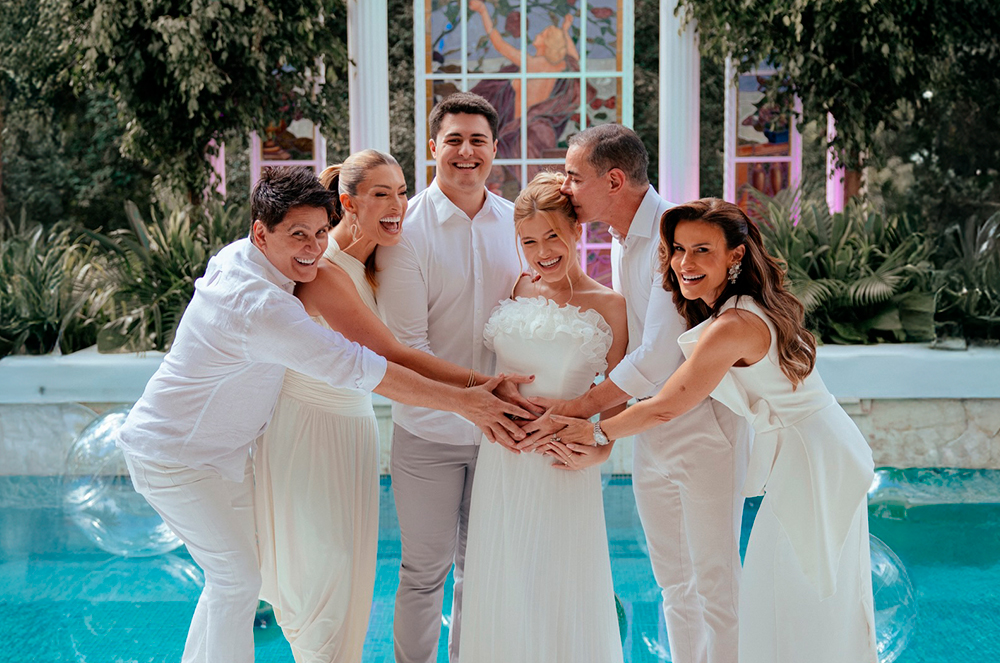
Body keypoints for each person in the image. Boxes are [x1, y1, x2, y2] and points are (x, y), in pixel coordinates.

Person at [116, 166, 532, 663]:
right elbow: (363, 366)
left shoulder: (244, 257)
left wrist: (476, 387)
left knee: (234, 579)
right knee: (236, 579)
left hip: (224, 456)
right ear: (261, 233)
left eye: (319, 232)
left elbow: (380, 350)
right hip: (174, 457)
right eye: (298, 235)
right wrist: (467, 401)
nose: (314, 248)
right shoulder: (258, 306)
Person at [552, 198, 878, 663]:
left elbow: (668, 405)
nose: (685, 263)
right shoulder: (731, 309)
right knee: (795, 585)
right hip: (811, 446)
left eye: (702, 250)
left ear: (735, 255)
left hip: (813, 453)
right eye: (678, 249)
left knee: (801, 586)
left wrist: (595, 433)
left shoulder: (733, 324)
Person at [254, 151, 535, 663]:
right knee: (321, 574)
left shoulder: (378, 259)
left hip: (353, 426)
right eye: (381, 194)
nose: (398, 205)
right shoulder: (323, 270)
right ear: (348, 203)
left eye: (402, 192)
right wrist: (483, 388)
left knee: (351, 571)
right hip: (312, 429)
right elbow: (395, 354)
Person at [519, 125, 751, 663]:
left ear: (614, 180)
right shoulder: (622, 239)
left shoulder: (673, 238)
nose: (565, 187)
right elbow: (628, 348)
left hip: (705, 428)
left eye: (574, 177)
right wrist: (604, 430)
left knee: (716, 584)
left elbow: (658, 356)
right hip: (651, 429)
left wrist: (576, 411)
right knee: (673, 582)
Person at [377, 92, 531, 663]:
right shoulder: (406, 231)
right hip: (427, 433)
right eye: (455, 140)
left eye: (478, 140)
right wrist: (477, 397)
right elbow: (407, 349)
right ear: (433, 147)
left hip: (504, 433)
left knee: (482, 569)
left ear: (495, 148)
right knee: (424, 571)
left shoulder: (518, 223)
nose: (467, 151)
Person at [458, 172, 628, 663]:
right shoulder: (518, 287)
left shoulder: (611, 305)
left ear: (576, 230)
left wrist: (600, 449)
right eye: (529, 241)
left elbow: (618, 396)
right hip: (502, 461)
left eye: (552, 236)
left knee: (558, 581)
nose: (541, 252)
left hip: (561, 464)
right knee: (504, 578)